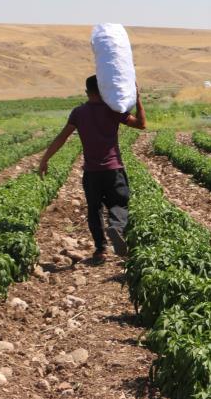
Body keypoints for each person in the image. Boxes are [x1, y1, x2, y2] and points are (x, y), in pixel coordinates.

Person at [39, 75, 146, 260]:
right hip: (113, 169)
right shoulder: (113, 110)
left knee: (94, 209)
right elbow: (141, 124)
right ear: (104, 89)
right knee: (119, 203)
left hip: (91, 172)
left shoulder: (78, 113)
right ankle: (116, 227)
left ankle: (100, 249)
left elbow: (62, 137)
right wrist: (138, 99)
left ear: (87, 92)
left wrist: (44, 159)